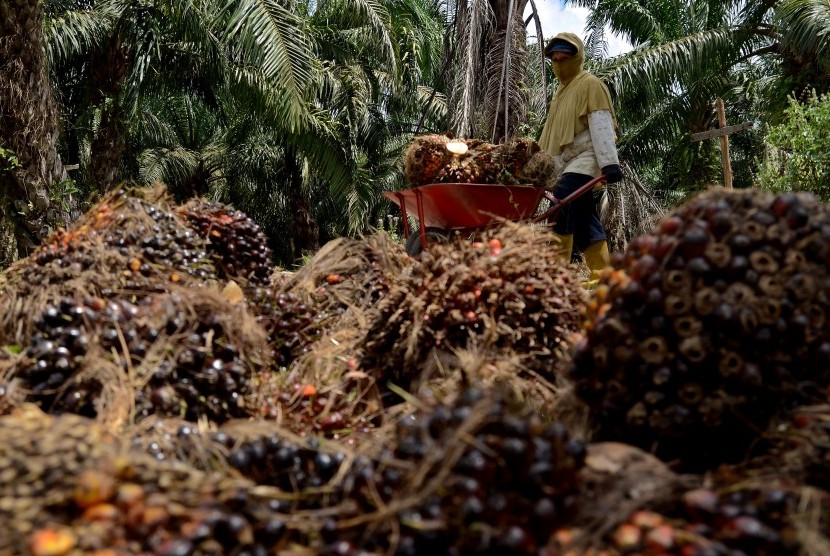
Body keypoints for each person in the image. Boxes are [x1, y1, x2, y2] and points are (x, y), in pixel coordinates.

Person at [538, 32, 623, 280]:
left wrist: (610, 163)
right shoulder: (560, 93)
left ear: (578, 58)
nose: (559, 63)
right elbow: (552, 135)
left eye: (565, 58)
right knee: (585, 217)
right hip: (565, 163)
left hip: (586, 158)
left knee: (559, 203)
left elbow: (601, 123)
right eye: (555, 59)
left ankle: (554, 276)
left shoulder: (589, 84)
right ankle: (602, 275)